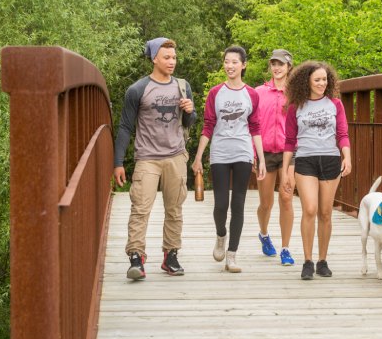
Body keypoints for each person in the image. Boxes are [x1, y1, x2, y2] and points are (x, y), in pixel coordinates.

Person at [114, 37, 197, 280]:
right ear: (154, 59)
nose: (172, 62)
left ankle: (171, 256)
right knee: (140, 208)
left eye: (174, 57)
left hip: (176, 157)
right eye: (166, 57)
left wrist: (190, 111)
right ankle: (136, 259)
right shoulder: (137, 89)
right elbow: (125, 127)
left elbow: (190, 124)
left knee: (175, 209)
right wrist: (118, 162)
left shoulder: (183, 86)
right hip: (147, 158)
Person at [192, 45, 267, 273]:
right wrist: (198, 158)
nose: (229, 66)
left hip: (243, 151)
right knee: (221, 204)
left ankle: (232, 256)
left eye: (234, 62)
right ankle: (220, 235)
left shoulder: (251, 94)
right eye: (226, 61)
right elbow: (208, 126)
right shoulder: (216, 93)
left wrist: (261, 159)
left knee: (239, 203)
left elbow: (255, 128)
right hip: (220, 152)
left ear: (243, 65)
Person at [281, 61, 351, 280]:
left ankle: (322, 261)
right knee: (309, 209)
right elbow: (290, 141)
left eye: (325, 79)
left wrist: (347, 156)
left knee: (326, 213)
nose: (322, 83)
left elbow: (342, 134)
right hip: (305, 161)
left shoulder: (335, 104)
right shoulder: (295, 107)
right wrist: (286, 171)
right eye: (317, 80)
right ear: (307, 82)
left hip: (330, 160)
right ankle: (308, 261)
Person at [254, 49, 296, 266]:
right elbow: (251, 124)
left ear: (289, 67)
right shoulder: (258, 92)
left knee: (287, 198)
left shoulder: (297, 93)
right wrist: (255, 155)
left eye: (281, 64)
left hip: (289, 152)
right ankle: (263, 233)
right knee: (266, 203)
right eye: (273, 64)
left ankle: (286, 249)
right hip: (265, 153)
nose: (277, 68)